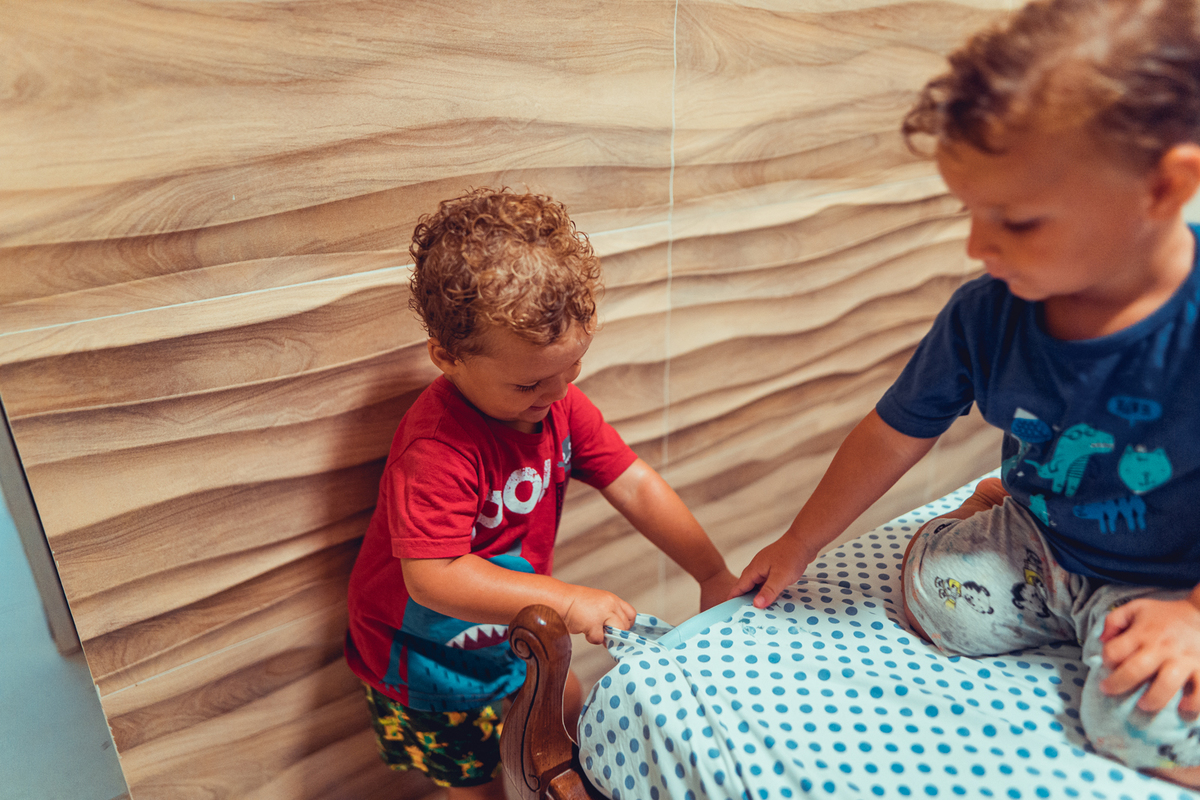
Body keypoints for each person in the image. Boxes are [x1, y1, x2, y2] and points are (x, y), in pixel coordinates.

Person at [732, 0, 1200, 786]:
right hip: (1044, 543)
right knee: (931, 600)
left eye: (1015, 221)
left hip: (1171, 576)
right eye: (970, 213)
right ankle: (991, 508)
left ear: (1162, 188)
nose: (977, 247)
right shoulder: (985, 313)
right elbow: (893, 431)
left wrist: (1190, 615)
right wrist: (800, 542)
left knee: (1138, 724)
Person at [345, 187, 738, 799]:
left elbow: (630, 480)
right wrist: (568, 598)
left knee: (570, 707)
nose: (556, 394)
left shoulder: (555, 405)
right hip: (425, 664)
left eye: (571, 369)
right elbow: (432, 575)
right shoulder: (439, 446)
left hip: (513, 635)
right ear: (447, 358)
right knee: (472, 785)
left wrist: (711, 571)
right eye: (530, 381)